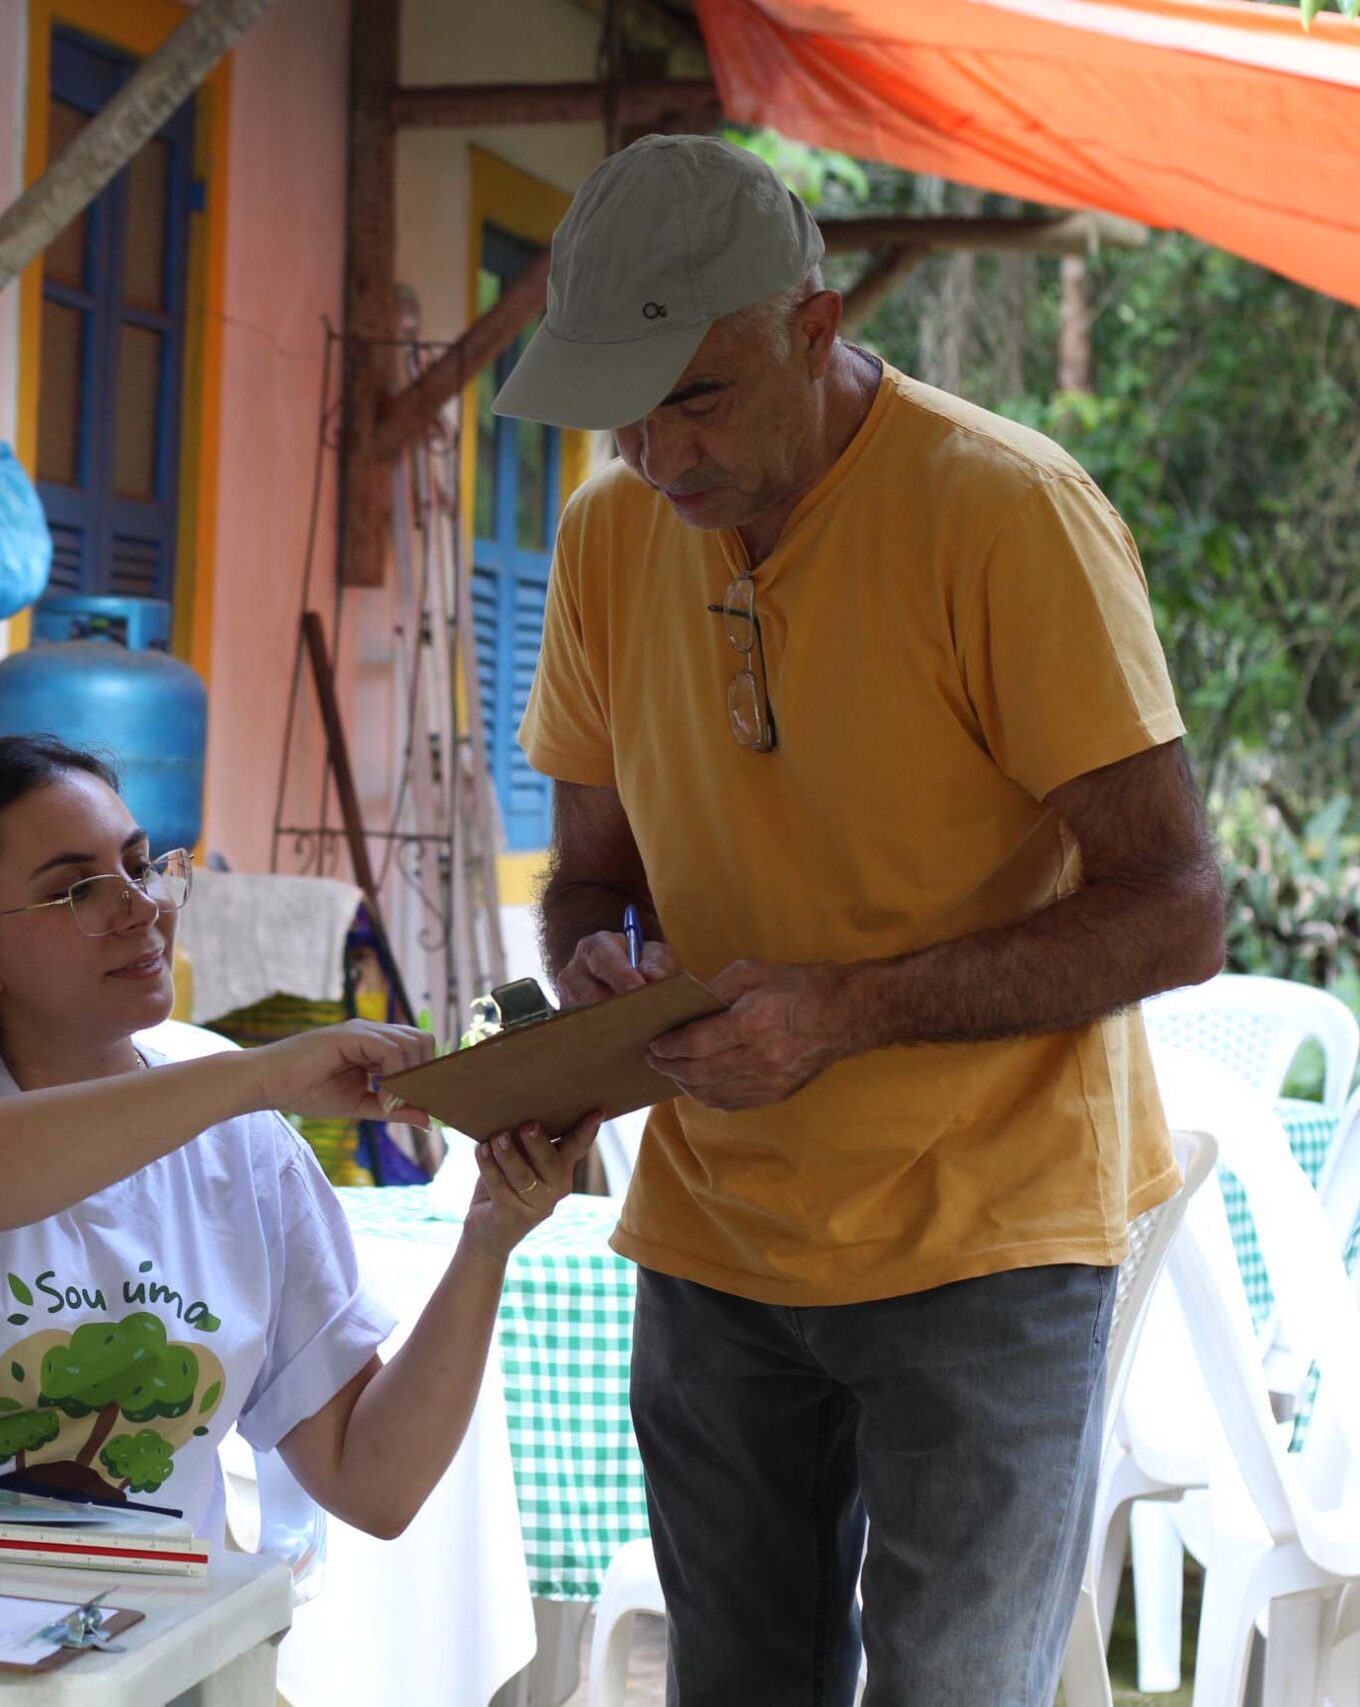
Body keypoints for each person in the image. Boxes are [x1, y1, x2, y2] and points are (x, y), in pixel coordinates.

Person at [494, 135, 1225, 1704]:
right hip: (715, 1231)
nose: (659, 454)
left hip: (988, 1235)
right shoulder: (609, 535)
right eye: (624, 410)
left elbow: (1176, 912)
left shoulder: (1007, 511)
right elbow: (590, 875)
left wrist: (845, 1011)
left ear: (816, 329)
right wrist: (597, 960)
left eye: (699, 397)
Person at [0, 734, 597, 1541]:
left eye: (140, 866)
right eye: (77, 890)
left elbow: (372, 1482)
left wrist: (488, 1241)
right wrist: (253, 1078)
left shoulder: (243, 1144)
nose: (143, 908)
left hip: (128, 1617)